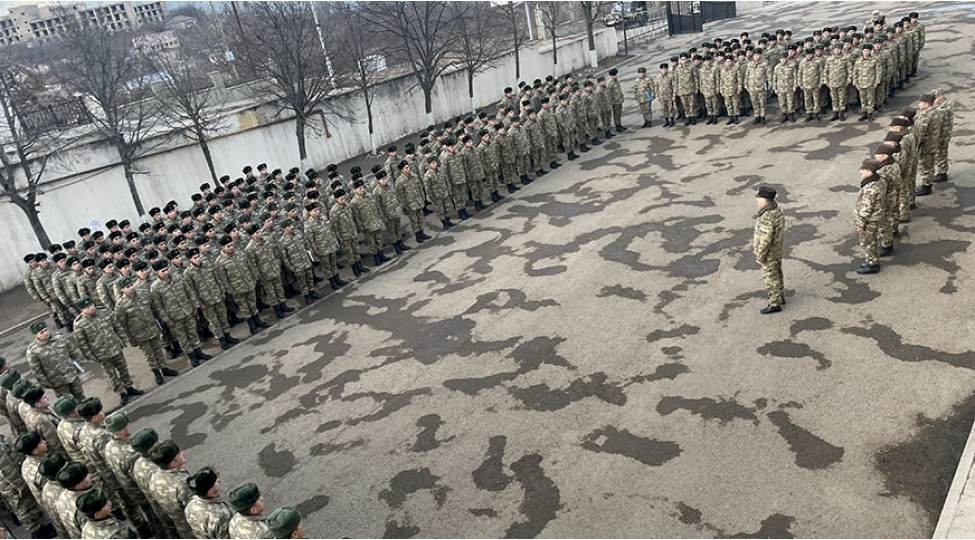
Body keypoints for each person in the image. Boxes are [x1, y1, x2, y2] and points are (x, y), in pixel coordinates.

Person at [72, 296, 143, 406]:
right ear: (82, 310)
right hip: (101, 354)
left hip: (115, 347)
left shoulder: (105, 312)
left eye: (91, 305)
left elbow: (117, 326)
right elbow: (82, 343)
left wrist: (123, 340)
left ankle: (129, 388)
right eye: (87, 307)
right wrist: (90, 356)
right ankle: (121, 393)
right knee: (112, 374)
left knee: (123, 368)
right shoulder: (79, 324)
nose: (90, 308)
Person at [114, 276, 180, 386]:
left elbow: (153, 309)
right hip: (139, 334)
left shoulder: (143, 295)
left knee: (158, 350)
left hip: (152, 328)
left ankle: (164, 368)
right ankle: (156, 373)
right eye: (127, 287)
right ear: (122, 290)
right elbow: (122, 325)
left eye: (131, 285)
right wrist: (130, 338)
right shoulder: (120, 306)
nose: (131, 288)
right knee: (149, 354)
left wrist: (158, 325)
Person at [25, 319, 85, 400]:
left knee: (81, 397)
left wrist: (79, 366)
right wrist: (48, 384)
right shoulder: (33, 351)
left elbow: (73, 352)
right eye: (41, 332)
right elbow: (36, 370)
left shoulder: (60, 338)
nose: (45, 333)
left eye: (46, 330)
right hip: (57, 382)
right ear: (36, 335)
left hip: (72, 375)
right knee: (68, 403)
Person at [149, 440, 194, 539]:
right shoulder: (182, 484)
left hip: (179, 525)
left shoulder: (155, 477)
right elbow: (194, 509)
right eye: (179, 454)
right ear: (173, 464)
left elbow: (156, 505)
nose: (182, 453)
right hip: (192, 527)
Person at [752, 187, 786, 314]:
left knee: (770, 277)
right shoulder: (777, 210)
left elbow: (765, 239)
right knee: (777, 272)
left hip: (769, 252)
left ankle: (774, 303)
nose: (757, 200)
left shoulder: (767, 216)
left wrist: (760, 256)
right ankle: (780, 295)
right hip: (777, 249)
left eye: (759, 198)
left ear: (765, 200)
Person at [184, 466, 234, 539]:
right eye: (215, 481)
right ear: (210, 491)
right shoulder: (221, 515)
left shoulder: (191, 504)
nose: (218, 481)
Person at [855, 159, 886, 274]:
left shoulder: (870, 188)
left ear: (871, 172)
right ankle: (872, 261)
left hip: (870, 220)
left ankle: (872, 264)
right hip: (878, 215)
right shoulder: (880, 180)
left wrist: (861, 224)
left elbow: (866, 209)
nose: (861, 172)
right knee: (871, 240)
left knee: (868, 242)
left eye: (863, 170)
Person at [913, 93, 942, 196]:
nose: (919, 104)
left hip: (926, 145)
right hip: (932, 143)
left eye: (921, 102)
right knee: (929, 164)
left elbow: (920, 132)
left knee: (925, 165)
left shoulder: (926, 115)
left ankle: (926, 186)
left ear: (926, 104)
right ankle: (927, 184)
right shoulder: (935, 112)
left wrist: (915, 144)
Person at [933, 88, 953, 183]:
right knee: (941, 153)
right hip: (944, 133)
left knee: (941, 153)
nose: (934, 100)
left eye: (935, 98)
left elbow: (937, 120)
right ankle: (942, 171)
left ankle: (942, 173)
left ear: (940, 97)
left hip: (942, 135)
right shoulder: (945, 104)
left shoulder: (943, 108)